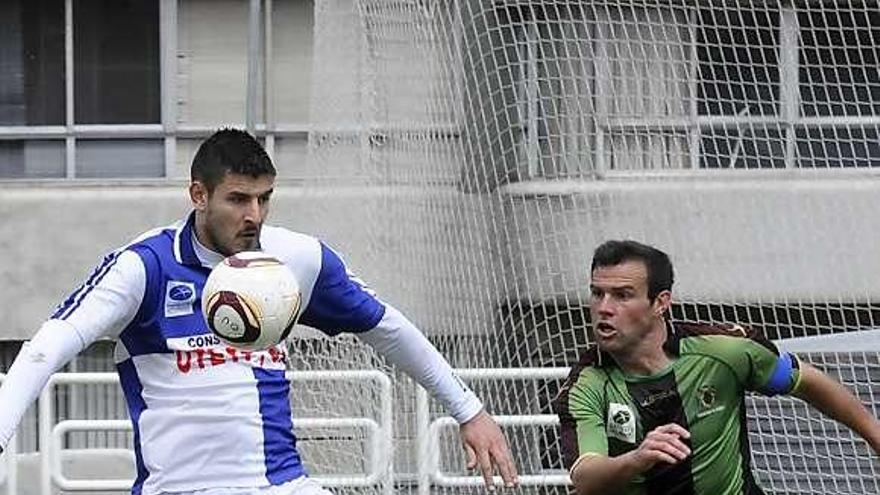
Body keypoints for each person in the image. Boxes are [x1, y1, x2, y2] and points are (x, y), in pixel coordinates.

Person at [0, 129, 518, 495]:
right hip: (184, 489)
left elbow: (386, 326)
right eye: (239, 199)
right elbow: (45, 350)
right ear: (198, 195)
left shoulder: (293, 259)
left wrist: (468, 410)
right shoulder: (145, 267)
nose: (254, 216)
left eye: (265, 199)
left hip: (282, 485)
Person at [554, 239, 880, 495]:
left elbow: (806, 380)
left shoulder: (725, 350)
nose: (604, 308)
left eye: (622, 295)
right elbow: (585, 477)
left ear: (661, 302)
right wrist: (635, 459)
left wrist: (875, 435)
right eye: (597, 294)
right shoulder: (587, 384)